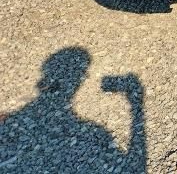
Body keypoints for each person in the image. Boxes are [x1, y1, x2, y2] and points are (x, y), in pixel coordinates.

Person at [0, 47, 146, 173]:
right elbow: (135, 165)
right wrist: (136, 105)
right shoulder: (95, 131)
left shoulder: (16, 121)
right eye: (82, 75)